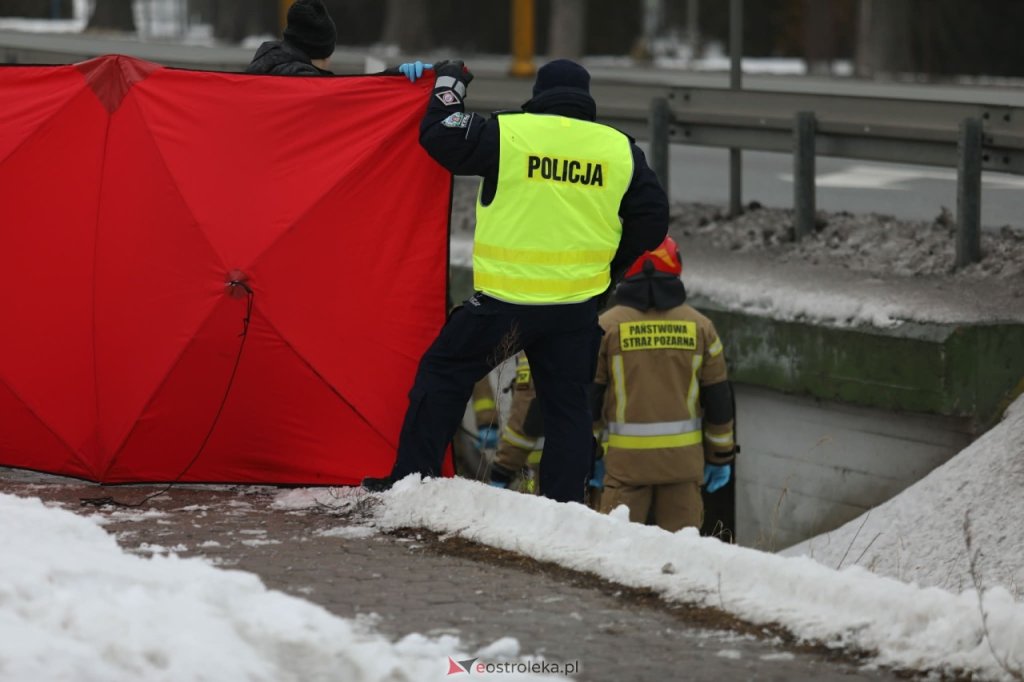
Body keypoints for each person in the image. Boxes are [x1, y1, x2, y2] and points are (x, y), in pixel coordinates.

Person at [363, 58, 669, 503]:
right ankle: (565, 506)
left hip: (504, 303)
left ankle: (413, 479)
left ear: (539, 96)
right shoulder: (618, 149)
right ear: (587, 101)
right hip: (573, 307)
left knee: (444, 372)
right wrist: (608, 271)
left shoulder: (510, 134)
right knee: (567, 410)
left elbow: (440, 132)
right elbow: (653, 222)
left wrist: (450, 80)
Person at [593, 236, 736, 532]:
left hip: (624, 468)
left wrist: (589, 454)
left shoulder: (606, 328)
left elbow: (589, 399)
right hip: (683, 467)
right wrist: (720, 457)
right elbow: (719, 399)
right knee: (682, 556)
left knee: (617, 554)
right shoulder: (701, 327)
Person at [246, 0, 431, 81]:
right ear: (321, 53)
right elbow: (350, 94)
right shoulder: (308, 83)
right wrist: (397, 77)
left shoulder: (260, 67)